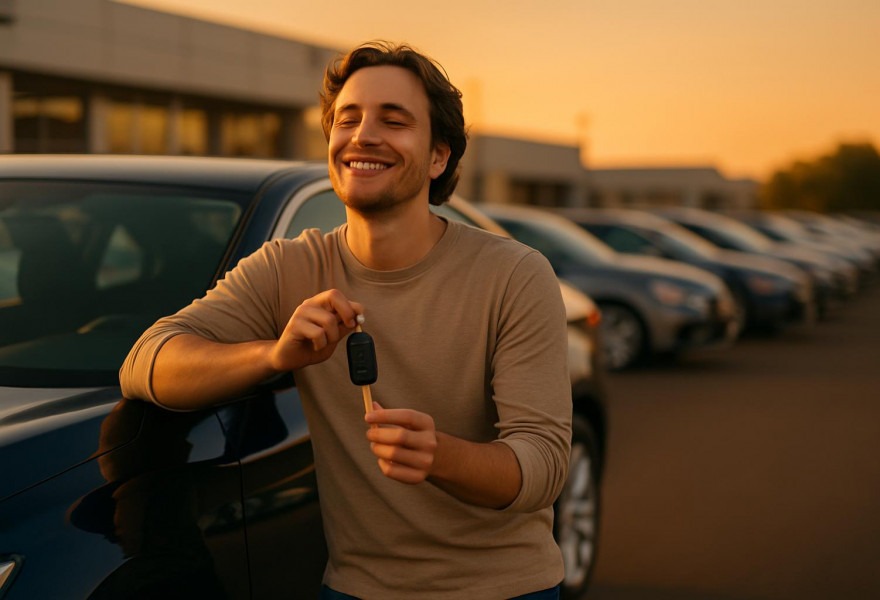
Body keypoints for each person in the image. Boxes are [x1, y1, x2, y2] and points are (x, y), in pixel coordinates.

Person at [120, 40, 572, 599]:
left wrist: (441, 456)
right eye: (347, 119)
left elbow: (545, 464)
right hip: (356, 589)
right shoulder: (291, 267)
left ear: (439, 157)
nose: (363, 136)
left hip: (504, 589)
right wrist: (274, 355)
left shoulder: (515, 274)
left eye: (394, 120)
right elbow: (145, 361)